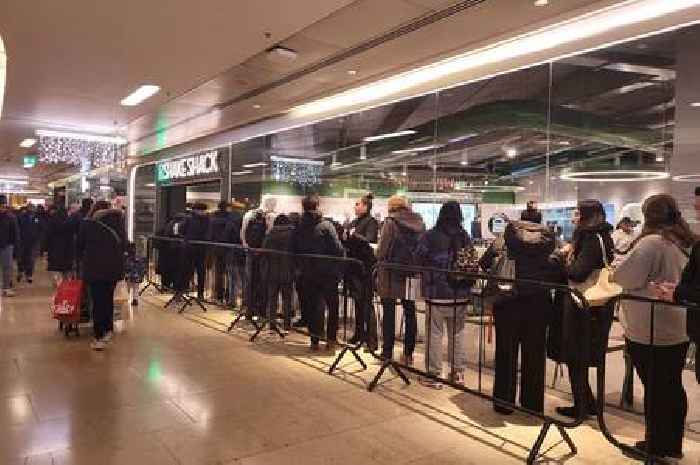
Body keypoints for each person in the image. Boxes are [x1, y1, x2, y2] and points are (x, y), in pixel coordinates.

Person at [613, 194, 694, 459]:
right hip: (678, 325)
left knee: (656, 389)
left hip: (651, 328)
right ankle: (672, 444)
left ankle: (656, 447)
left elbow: (624, 276)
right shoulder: (684, 241)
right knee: (671, 386)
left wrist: (618, 272)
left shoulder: (651, 243)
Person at [484, 206, 556, 414]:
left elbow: (484, 262)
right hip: (539, 304)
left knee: (506, 352)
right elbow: (558, 272)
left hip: (508, 302)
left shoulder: (504, 240)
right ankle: (532, 404)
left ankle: (504, 403)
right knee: (534, 354)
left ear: (520, 221)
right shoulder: (549, 242)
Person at [551, 200, 615, 419]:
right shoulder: (603, 236)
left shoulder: (590, 239)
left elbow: (578, 273)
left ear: (589, 216)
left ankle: (582, 407)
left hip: (583, 306)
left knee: (576, 356)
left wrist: (561, 261)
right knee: (580, 356)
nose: (574, 218)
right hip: (596, 306)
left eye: (578, 214)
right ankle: (588, 403)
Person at [414, 201, 472, 388]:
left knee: (435, 334)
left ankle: (434, 375)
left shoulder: (430, 236)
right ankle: (457, 374)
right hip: (460, 293)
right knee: (458, 334)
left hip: (437, 292)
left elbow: (418, 257)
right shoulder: (464, 236)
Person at [377, 195, 425, 365]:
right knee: (410, 311)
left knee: (389, 312)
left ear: (392, 207)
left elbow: (382, 250)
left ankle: (387, 353)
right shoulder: (420, 223)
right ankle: (408, 353)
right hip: (411, 273)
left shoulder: (390, 222)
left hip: (391, 273)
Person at [293, 194, 345, 351]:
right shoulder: (326, 226)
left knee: (313, 305)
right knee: (332, 305)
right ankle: (331, 339)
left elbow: (294, 249)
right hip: (327, 272)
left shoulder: (299, 226)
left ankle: (314, 339)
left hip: (307, 273)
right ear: (317, 206)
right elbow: (337, 249)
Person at [76, 200, 126, 351]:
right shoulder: (118, 223)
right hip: (113, 269)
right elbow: (123, 243)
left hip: (95, 268)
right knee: (108, 299)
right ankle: (108, 329)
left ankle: (99, 335)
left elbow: (79, 246)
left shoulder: (88, 224)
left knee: (97, 301)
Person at [345, 193, 379, 351]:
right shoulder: (354, 222)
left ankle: (372, 340)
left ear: (366, 206)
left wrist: (354, 235)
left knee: (366, 304)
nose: (355, 206)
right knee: (357, 303)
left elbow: (370, 240)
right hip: (354, 268)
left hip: (365, 269)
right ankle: (359, 334)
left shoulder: (371, 222)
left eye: (358, 204)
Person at [261, 214, 296, 330]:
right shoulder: (292, 234)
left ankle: (272, 323)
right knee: (287, 299)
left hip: (272, 270)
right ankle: (287, 324)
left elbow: (264, 250)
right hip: (288, 270)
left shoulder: (271, 233)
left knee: (272, 298)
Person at [182, 203, 210, 301]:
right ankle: (200, 294)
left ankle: (185, 291)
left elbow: (182, 230)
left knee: (189, 270)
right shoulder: (207, 220)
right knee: (200, 272)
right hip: (201, 249)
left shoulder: (188, 218)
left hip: (190, 248)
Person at [209, 201, 233, 304]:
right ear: (227, 208)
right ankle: (228, 296)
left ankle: (218, 295)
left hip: (216, 247)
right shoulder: (230, 219)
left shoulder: (213, 219)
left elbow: (210, 233)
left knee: (218, 273)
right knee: (228, 273)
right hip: (228, 248)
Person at [45, 203, 74, 286]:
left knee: (56, 267)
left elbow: (48, 234)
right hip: (67, 248)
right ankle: (65, 283)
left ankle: (58, 282)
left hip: (55, 247)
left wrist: (45, 248)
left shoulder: (52, 220)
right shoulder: (69, 221)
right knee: (66, 268)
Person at [0, 195, 20, 297]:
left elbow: (16, 233)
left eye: (3, 205)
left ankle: (6, 287)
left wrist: (16, 247)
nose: (2, 207)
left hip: (7, 245)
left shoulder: (11, 217)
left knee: (7, 267)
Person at [17, 204, 41, 284]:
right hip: (22, 241)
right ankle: (20, 271)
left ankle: (29, 275)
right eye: (30, 208)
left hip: (33, 242)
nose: (32, 210)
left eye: (33, 208)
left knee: (31, 259)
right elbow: (18, 228)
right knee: (21, 258)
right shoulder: (21, 217)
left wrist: (38, 238)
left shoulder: (37, 218)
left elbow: (41, 228)